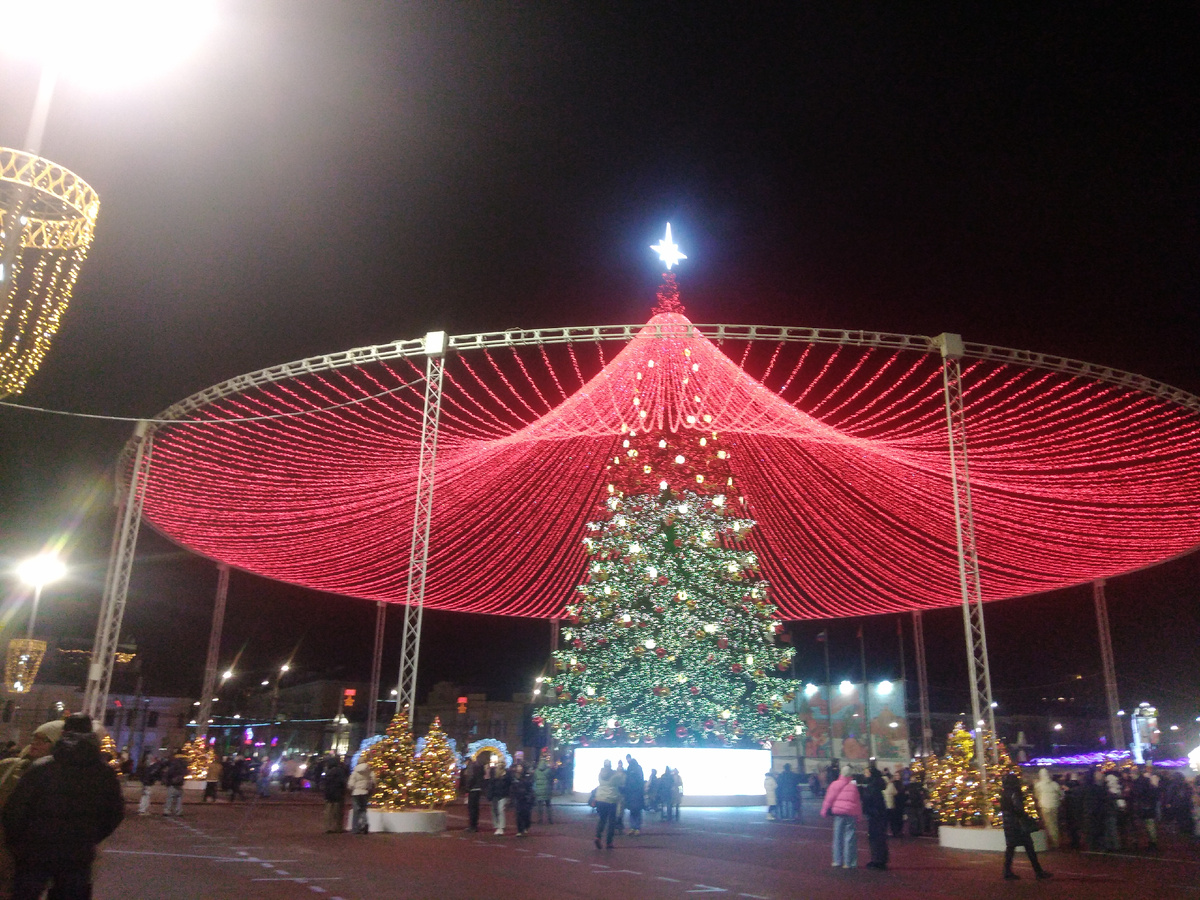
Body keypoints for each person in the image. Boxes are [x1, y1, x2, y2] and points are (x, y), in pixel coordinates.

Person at [3, 713, 124, 900]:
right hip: (77, 855)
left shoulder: (42, 767)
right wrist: (90, 836)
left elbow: (15, 810)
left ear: (64, 733)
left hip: (35, 852)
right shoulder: (104, 773)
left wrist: (19, 843)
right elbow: (114, 813)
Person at [0, 720, 64, 898]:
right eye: (35, 738)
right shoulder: (9, 765)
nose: (35, 743)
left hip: (26, 855)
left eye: (44, 740)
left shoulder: (61, 777)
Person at [1000, 772, 1051, 880]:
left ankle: (1007, 871)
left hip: (1008, 824)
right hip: (1017, 824)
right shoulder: (1015, 793)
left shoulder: (1004, 793)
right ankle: (1038, 872)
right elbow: (1018, 809)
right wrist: (1027, 818)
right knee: (1029, 847)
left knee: (1011, 847)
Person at [820, 764, 862, 869]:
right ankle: (849, 862)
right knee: (850, 837)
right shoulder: (853, 786)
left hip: (838, 812)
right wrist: (859, 815)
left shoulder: (835, 784)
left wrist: (824, 810)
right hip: (850, 813)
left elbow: (829, 799)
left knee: (837, 836)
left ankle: (837, 860)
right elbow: (857, 802)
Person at [864, 765, 889, 870]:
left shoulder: (872, 786)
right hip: (880, 814)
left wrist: (867, 810)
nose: (864, 774)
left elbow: (869, 801)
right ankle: (880, 860)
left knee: (875, 838)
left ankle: (877, 861)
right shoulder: (877, 785)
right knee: (880, 838)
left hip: (875, 815)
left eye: (866, 772)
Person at [1129, 769, 1159, 851]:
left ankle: (1137, 843)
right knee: (1150, 825)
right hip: (1149, 806)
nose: (1130, 775)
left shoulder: (1138, 783)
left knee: (1138, 826)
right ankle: (1152, 842)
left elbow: (1138, 793)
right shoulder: (1147, 781)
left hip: (1142, 807)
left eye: (1131, 774)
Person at [593, 760, 620, 849]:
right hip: (611, 799)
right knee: (611, 821)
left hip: (600, 798)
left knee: (602, 819)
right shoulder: (615, 775)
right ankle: (609, 842)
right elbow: (621, 782)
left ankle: (598, 836)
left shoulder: (600, 774)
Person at [1032, 768, 1063, 849]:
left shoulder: (1039, 785)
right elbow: (1060, 794)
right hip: (1055, 805)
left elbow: (1036, 796)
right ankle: (1055, 840)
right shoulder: (1055, 784)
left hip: (1045, 806)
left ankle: (1053, 842)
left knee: (1049, 824)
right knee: (1054, 823)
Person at [322, 754, 349, 833]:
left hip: (328, 793)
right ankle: (337, 827)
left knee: (328, 811)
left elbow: (324, 782)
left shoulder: (328, 771)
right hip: (337, 792)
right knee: (337, 812)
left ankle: (328, 827)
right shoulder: (339, 771)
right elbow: (343, 781)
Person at [347, 759, 375, 834]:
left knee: (356, 811)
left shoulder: (355, 772)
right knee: (363, 809)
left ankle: (355, 828)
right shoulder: (369, 770)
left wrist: (351, 788)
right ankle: (365, 823)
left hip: (356, 792)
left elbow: (351, 784)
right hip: (365, 792)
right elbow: (373, 780)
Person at [485, 758, 511, 836]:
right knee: (494, 810)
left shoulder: (507, 774)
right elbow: (490, 784)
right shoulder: (494, 773)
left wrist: (509, 795)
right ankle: (497, 826)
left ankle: (501, 827)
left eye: (502, 762)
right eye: (499, 762)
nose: (500, 764)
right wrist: (489, 794)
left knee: (501, 810)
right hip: (495, 794)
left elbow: (510, 785)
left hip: (503, 795)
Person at [163, 746, 189, 817]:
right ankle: (178, 811)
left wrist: (167, 779)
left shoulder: (174, 761)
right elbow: (186, 772)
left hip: (172, 781)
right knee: (179, 797)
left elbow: (170, 771)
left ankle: (167, 810)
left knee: (170, 797)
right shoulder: (185, 762)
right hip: (180, 781)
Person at [511, 760, 535, 836]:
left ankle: (526, 826)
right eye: (518, 766)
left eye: (520, 766)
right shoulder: (514, 777)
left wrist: (529, 796)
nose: (519, 768)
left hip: (526, 797)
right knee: (518, 814)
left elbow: (530, 787)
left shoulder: (527, 776)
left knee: (526, 814)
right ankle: (519, 830)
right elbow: (512, 787)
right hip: (518, 797)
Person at [624, 754, 645, 835]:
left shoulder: (630, 769)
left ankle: (633, 827)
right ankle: (637, 828)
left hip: (631, 794)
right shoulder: (638, 768)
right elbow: (641, 781)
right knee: (637, 811)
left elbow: (627, 781)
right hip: (638, 794)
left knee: (632, 811)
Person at [462, 758, 484, 832]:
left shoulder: (471, 767)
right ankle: (474, 825)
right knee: (475, 808)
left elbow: (471, 777)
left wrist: (467, 787)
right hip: (478, 788)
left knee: (471, 808)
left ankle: (472, 826)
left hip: (472, 789)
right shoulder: (478, 766)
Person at [533, 755, 553, 824]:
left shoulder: (536, 771)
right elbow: (551, 779)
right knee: (548, 805)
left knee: (539, 806)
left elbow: (534, 779)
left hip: (539, 790)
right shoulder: (548, 771)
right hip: (547, 790)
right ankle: (550, 819)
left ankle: (540, 819)